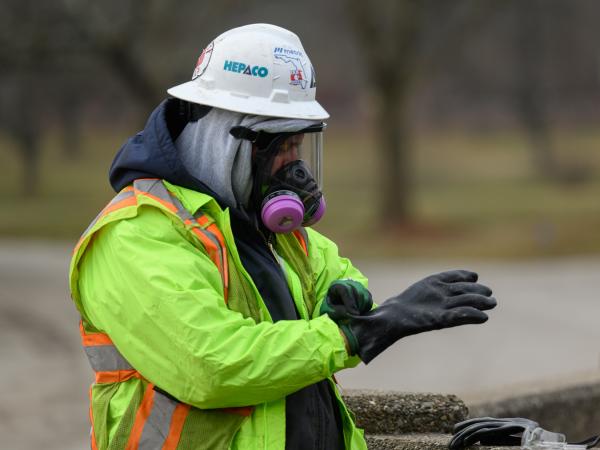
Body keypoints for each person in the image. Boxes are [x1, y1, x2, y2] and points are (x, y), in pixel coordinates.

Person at [68, 24, 496, 450]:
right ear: (224, 139)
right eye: (280, 148)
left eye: (299, 146)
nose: (294, 169)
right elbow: (214, 366)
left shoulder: (263, 226)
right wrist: (357, 334)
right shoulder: (136, 235)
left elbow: (336, 272)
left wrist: (347, 298)